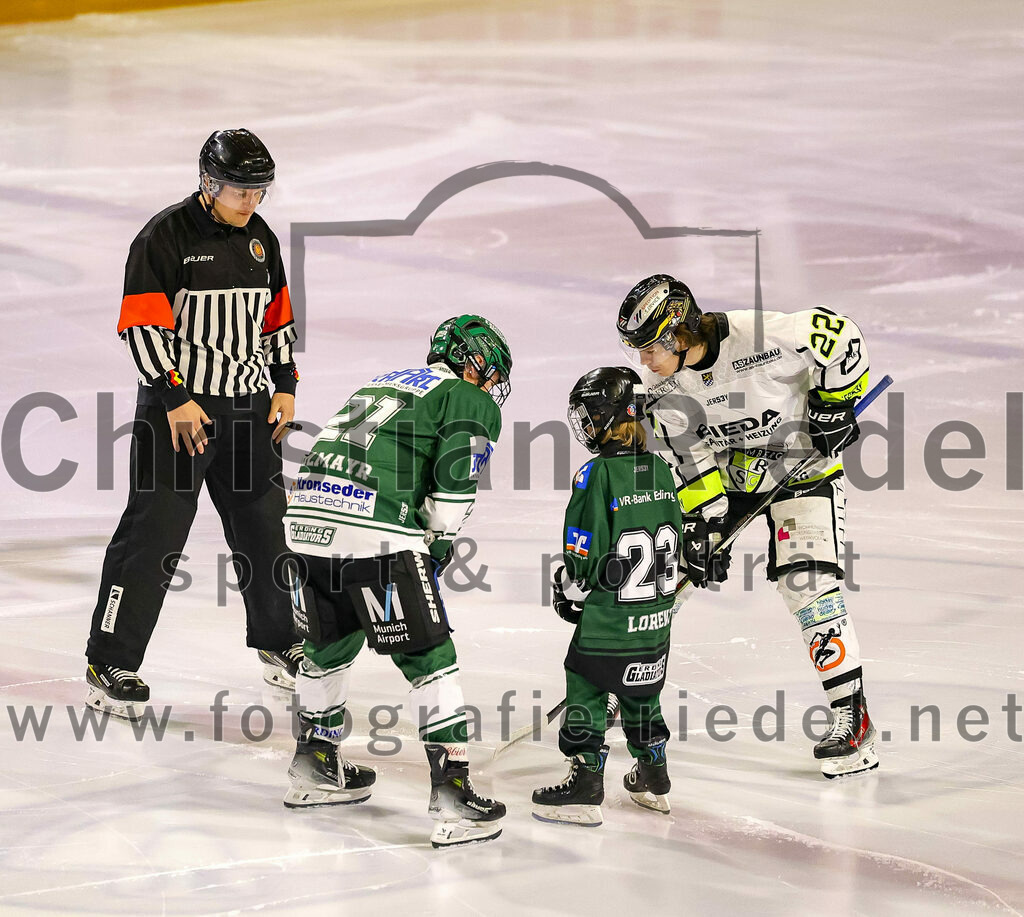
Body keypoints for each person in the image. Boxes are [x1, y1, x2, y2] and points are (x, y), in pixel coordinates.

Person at [616, 274, 879, 778]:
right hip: (732, 477)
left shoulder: (763, 338)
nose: (645, 362)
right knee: (669, 574)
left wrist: (836, 402)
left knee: (808, 584)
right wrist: (703, 525)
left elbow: (839, 334)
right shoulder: (664, 388)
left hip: (803, 472)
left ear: (679, 333)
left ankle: (854, 716)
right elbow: (691, 458)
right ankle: (622, 682)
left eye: (651, 348)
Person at [85, 129, 303, 720]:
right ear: (209, 182)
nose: (251, 201)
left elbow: (276, 320)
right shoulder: (164, 237)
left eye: (260, 191)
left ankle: (281, 643)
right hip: (180, 414)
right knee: (153, 537)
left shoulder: (260, 239)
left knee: (267, 531)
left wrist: (284, 384)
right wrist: (175, 397)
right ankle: (109, 662)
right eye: (240, 190)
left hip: (249, 411)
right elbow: (141, 326)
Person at [281, 315, 512, 849]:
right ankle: (453, 794)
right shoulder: (465, 397)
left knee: (324, 649)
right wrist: (438, 542)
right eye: (491, 373)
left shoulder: (382, 382)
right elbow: (453, 488)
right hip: (374, 532)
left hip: (304, 526)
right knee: (432, 659)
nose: (491, 386)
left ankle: (315, 764)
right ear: (474, 362)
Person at [532, 367, 682, 827]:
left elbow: (584, 558)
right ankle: (654, 775)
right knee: (642, 692)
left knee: (586, 683)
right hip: (655, 621)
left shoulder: (595, 474)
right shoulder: (661, 469)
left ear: (611, 415)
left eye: (591, 413)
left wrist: (566, 588)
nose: (586, 423)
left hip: (610, 620)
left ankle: (584, 783)